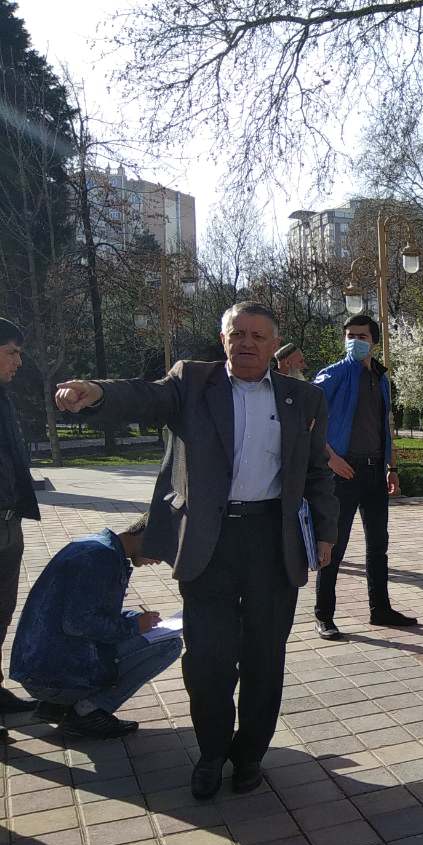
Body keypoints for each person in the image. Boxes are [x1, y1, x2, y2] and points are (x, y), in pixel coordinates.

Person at [55, 300, 339, 800]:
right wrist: (97, 392)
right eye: (238, 334)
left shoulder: (303, 398)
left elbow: (317, 471)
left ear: (274, 345)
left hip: (273, 542)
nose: (247, 343)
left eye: (258, 336)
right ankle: (211, 753)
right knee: (208, 660)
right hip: (210, 541)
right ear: (223, 339)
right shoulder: (192, 381)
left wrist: (325, 530)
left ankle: (249, 755)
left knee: (265, 658)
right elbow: (145, 396)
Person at [10, 514, 180, 738]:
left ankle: (59, 706)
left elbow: (86, 613)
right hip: (51, 676)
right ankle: (85, 711)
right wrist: (133, 625)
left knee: (146, 634)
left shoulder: (100, 547)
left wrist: (136, 619)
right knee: (170, 645)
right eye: (161, 554)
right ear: (147, 537)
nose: (157, 562)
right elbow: (78, 623)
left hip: (41, 666)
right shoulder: (101, 559)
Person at [312, 315, 417, 641]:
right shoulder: (333, 374)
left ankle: (380, 609)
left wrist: (392, 468)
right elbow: (304, 419)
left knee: (378, 546)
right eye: (350, 335)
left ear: (374, 341)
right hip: (343, 472)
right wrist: (331, 458)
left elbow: (385, 427)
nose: (354, 341)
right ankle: (324, 616)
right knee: (333, 546)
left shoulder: (380, 378)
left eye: (361, 336)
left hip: (374, 471)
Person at [0, 318, 38, 720]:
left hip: (9, 524)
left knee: (2, 611)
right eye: (12, 352)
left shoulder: (3, 398)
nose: (19, 362)